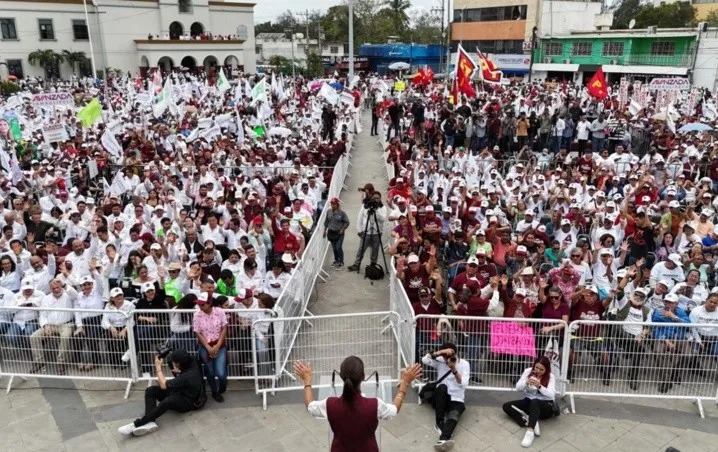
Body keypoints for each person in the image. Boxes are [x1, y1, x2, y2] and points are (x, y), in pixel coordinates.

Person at [293, 356, 422, 452]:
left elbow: (310, 406)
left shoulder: (330, 404)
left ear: (342, 377)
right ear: (363, 376)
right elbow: (394, 409)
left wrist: (307, 380)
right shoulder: (374, 405)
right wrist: (405, 383)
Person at [118, 349, 204, 436]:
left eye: (174, 363)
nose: (172, 364)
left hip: (189, 401)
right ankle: (150, 422)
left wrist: (158, 367)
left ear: (179, 364)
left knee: (167, 402)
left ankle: (137, 424)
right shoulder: (192, 360)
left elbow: (163, 385)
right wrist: (178, 370)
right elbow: (163, 381)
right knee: (150, 390)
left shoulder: (187, 376)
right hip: (181, 390)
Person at [502, 355, 558, 448]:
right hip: (529, 401)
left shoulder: (550, 376)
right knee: (507, 406)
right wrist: (526, 382)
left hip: (545, 405)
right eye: (536, 367)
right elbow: (518, 388)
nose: (538, 371)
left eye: (542, 369)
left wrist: (539, 386)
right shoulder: (528, 371)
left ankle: (530, 432)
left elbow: (551, 395)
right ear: (534, 365)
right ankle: (529, 421)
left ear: (546, 370)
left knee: (535, 401)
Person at [422, 343, 469, 451]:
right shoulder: (440, 360)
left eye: (449, 356)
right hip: (440, 396)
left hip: (456, 398)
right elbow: (425, 360)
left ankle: (443, 439)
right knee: (442, 387)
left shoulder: (464, 364)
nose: (446, 359)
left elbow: (464, 384)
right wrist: (439, 353)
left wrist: (454, 369)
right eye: (444, 356)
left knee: (453, 416)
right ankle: (439, 422)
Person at [193, 291, 228, 402]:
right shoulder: (197, 315)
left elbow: (224, 328)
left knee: (221, 373)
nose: (200, 306)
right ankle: (214, 392)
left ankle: (222, 386)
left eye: (202, 304)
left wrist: (217, 345)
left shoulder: (220, 312)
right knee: (210, 371)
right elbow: (198, 332)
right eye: (199, 304)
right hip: (205, 345)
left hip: (219, 344)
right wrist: (208, 347)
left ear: (209, 303)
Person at [324, 197, 350, 269]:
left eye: (334, 204)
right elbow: (326, 222)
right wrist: (324, 230)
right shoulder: (328, 212)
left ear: (337, 204)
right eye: (332, 204)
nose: (333, 205)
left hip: (339, 233)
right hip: (331, 232)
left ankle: (341, 261)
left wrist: (343, 229)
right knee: (334, 248)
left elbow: (347, 222)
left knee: (338, 247)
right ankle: (336, 260)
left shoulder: (342, 213)